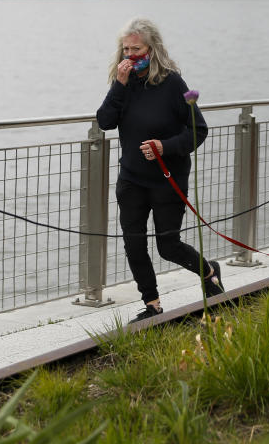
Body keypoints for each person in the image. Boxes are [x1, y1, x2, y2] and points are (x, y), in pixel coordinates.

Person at [96, 18, 223, 323]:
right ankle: (152, 305)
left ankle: (209, 271)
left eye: (136, 49)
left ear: (152, 49)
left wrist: (165, 147)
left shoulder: (173, 83)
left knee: (168, 246)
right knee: (134, 243)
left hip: (168, 180)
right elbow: (104, 121)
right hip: (131, 180)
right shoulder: (122, 84)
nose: (130, 55)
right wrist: (119, 85)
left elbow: (198, 130)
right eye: (125, 49)